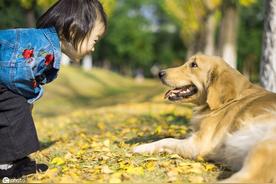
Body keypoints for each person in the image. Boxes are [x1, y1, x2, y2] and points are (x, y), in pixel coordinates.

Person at [0, 0, 107, 178]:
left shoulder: (44, 43)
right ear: (74, 31)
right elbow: (14, 72)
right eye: (94, 40)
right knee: (15, 106)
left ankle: (16, 159)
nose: (94, 48)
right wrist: (31, 95)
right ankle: (6, 165)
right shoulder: (44, 47)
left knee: (15, 108)